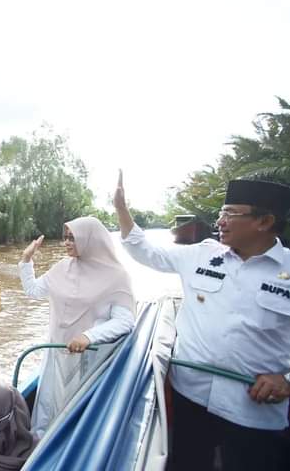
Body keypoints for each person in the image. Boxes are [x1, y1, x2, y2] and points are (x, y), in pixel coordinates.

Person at [114, 170, 290, 470]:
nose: (220, 221)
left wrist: (286, 381)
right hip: (190, 396)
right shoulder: (201, 255)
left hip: (253, 409)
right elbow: (145, 251)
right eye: (221, 213)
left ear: (264, 222)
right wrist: (121, 208)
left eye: (231, 214)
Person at [18, 216, 135, 437]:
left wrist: (89, 336)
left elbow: (125, 320)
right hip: (56, 353)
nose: (67, 243)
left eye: (73, 238)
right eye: (66, 238)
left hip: (88, 359)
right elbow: (33, 291)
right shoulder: (62, 268)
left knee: (75, 414)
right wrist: (26, 260)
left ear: (91, 239)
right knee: (48, 408)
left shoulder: (116, 277)